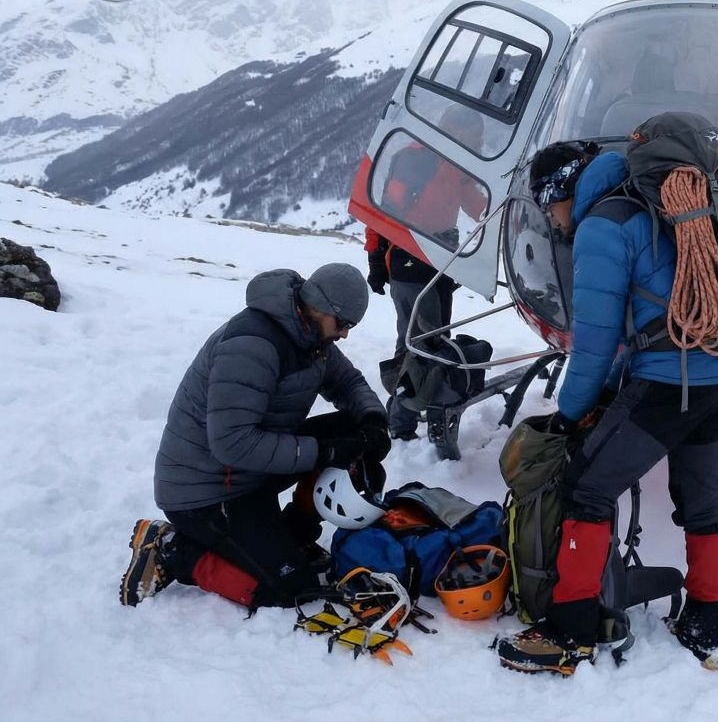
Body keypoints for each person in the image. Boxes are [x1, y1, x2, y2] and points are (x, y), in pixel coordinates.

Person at [494, 141, 718, 676]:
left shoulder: (603, 226)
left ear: (562, 191)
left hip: (670, 384)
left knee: (585, 486)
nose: (553, 221)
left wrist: (569, 415)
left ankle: (570, 631)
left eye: (549, 207)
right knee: (702, 501)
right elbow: (639, 331)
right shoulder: (650, 201)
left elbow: (594, 342)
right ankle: (706, 621)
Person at [119, 264, 391, 610]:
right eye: (344, 324)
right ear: (321, 308)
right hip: (209, 490)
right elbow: (233, 443)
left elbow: (347, 382)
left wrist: (372, 421)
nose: (345, 334)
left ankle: (293, 535)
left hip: (251, 472)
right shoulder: (253, 346)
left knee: (353, 431)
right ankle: (173, 550)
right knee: (290, 589)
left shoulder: (309, 335)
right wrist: (323, 451)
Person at [366, 106, 490, 439]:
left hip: (440, 261)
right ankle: (401, 422)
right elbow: (385, 213)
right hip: (409, 260)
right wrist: (376, 260)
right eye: (473, 137)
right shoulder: (415, 160)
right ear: (454, 130)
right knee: (415, 342)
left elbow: (474, 202)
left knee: (435, 341)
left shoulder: (455, 165)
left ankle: (422, 403)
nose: (477, 144)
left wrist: (505, 215)